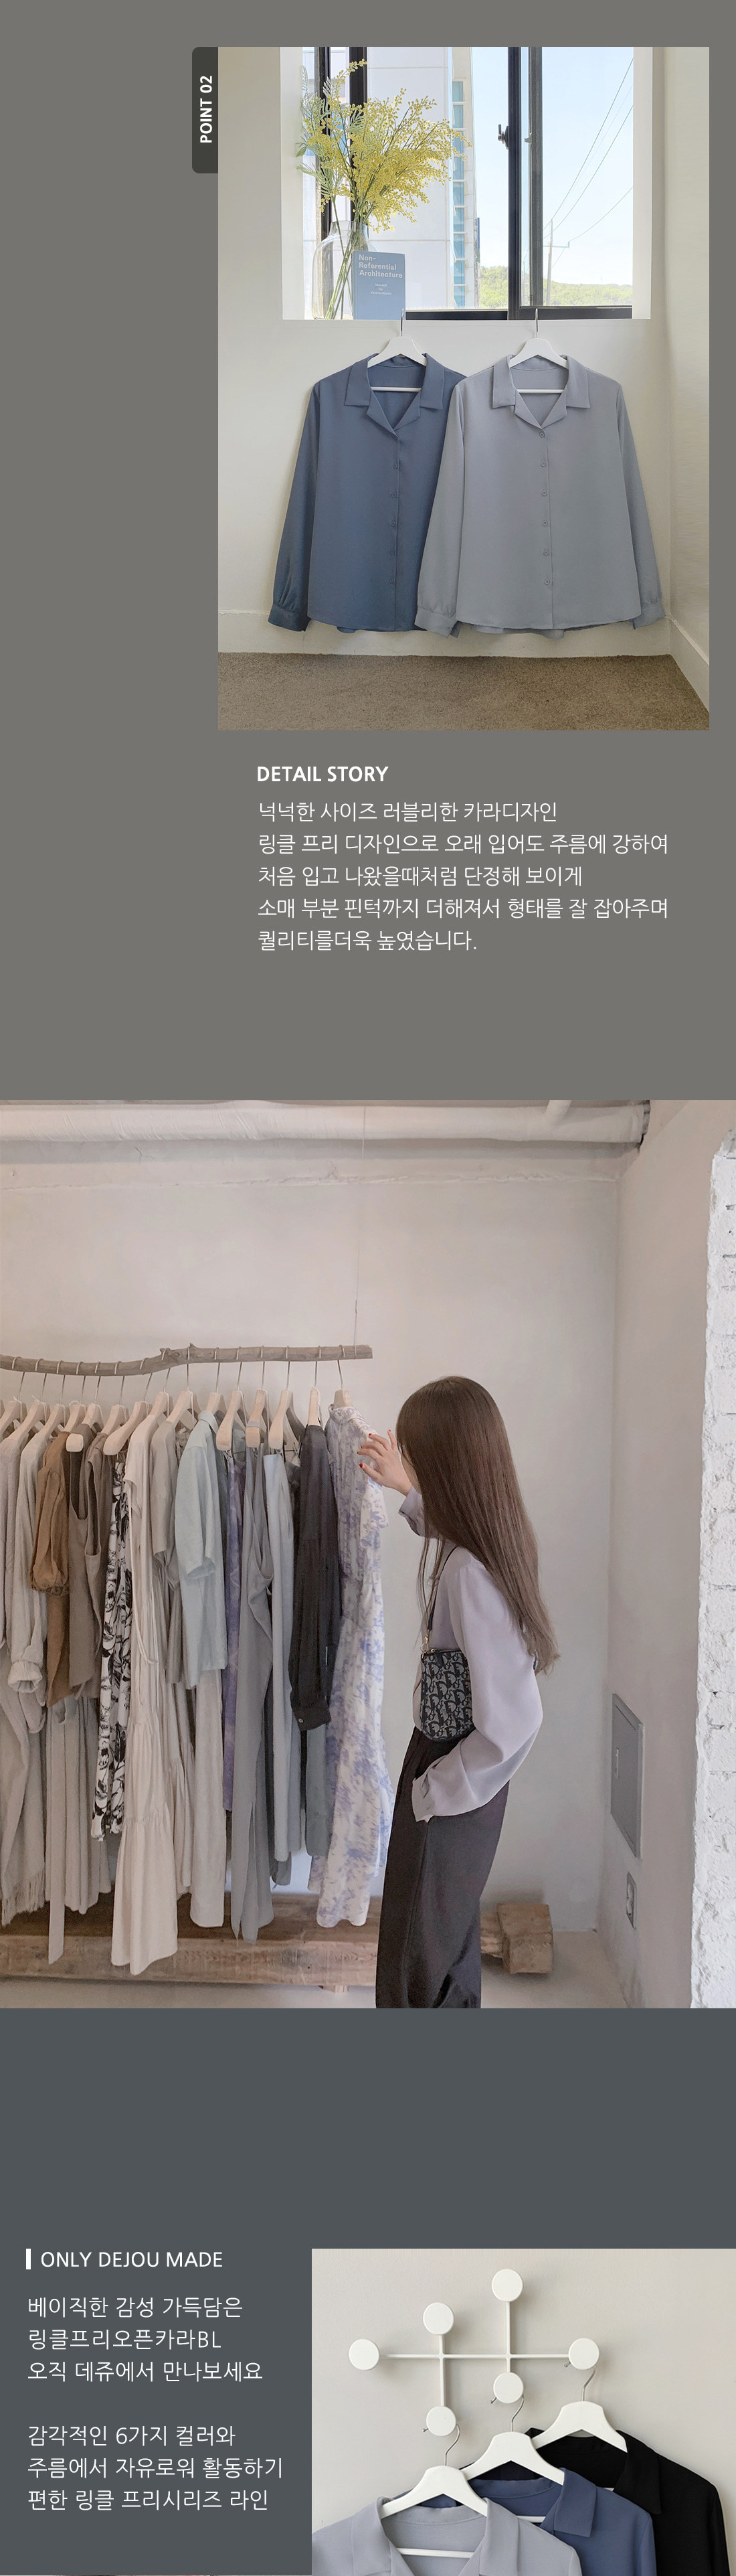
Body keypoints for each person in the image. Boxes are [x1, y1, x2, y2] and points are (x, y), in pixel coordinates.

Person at [359, 1376, 557, 2010]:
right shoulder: (490, 1543)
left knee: (418, 1959)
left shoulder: (471, 1575)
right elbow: (447, 1529)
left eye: (417, 1458)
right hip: (463, 1782)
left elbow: (516, 1721)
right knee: (445, 1945)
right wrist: (407, 1490)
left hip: (452, 1778)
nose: (411, 1466)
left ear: (446, 1466)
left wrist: (435, 1790)